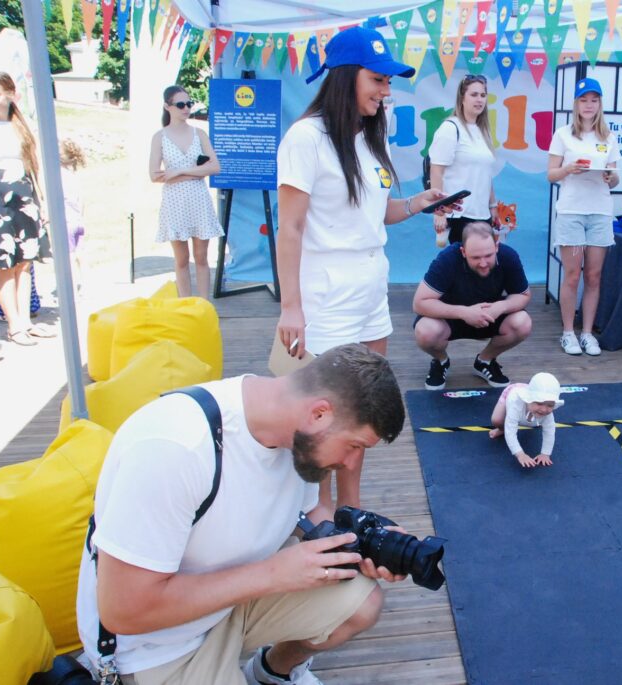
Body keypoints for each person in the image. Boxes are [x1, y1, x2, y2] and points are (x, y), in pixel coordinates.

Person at [76, 344, 408, 685]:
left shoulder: (296, 437)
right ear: (319, 414)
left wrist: (367, 545)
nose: (351, 464)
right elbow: (124, 611)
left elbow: (312, 515)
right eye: (354, 446)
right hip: (156, 645)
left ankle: (270, 672)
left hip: (232, 599)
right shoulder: (176, 448)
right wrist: (273, 574)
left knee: (360, 603)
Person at [277, 27, 455, 359]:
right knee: (328, 388)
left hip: (373, 278)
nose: (386, 91)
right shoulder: (306, 137)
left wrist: (419, 202)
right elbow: (290, 228)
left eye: (388, 81)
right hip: (327, 288)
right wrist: (290, 308)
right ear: (345, 78)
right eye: (377, 80)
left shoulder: (373, 136)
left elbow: (378, 212)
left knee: (374, 382)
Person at [546, 77, 619, 357]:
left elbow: (614, 177)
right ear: (576, 104)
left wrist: (611, 177)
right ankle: (568, 332)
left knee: (594, 275)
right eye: (584, 100)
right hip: (571, 211)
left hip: (600, 211)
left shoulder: (608, 137)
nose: (589, 105)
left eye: (594, 100)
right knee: (572, 275)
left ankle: (587, 333)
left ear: (600, 104)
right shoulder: (563, 134)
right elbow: (551, 174)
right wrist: (569, 169)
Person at [413, 222, 532, 390]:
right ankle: (440, 361)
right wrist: (464, 312)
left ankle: (485, 361)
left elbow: (523, 295)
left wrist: (501, 307)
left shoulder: (508, 256)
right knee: (425, 331)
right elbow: (419, 303)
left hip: (489, 315)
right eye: (475, 258)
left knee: (522, 322)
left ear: (496, 247)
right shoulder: (447, 259)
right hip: (451, 318)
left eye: (488, 256)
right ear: (463, 252)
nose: (483, 263)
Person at [0, 70, 54, 346]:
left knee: (25, 262)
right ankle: (13, 324)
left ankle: (26, 322)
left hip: (24, 195)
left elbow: (36, 166)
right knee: (4, 263)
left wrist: (44, 202)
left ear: (10, 94)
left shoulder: (22, 125)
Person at [149, 85, 224, 298]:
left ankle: (204, 304)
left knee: (201, 257)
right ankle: (185, 302)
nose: (186, 109)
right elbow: (155, 175)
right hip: (175, 201)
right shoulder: (160, 137)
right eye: (180, 105)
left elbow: (215, 167)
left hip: (198, 199)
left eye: (189, 104)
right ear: (168, 107)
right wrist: (195, 173)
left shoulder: (199, 134)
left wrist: (179, 171)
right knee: (181, 259)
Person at [428, 74, 497, 246]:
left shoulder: (482, 131)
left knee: (483, 261)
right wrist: (439, 211)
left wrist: (493, 206)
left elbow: (485, 174)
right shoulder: (450, 128)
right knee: (461, 261)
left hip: (482, 216)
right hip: (458, 215)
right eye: (474, 94)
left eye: (483, 95)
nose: (479, 99)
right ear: (462, 98)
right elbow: (436, 171)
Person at [488, 372, 565, 468]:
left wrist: (545, 454)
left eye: (550, 405)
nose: (544, 409)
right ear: (529, 399)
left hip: (530, 391)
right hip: (512, 391)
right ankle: (501, 429)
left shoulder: (546, 413)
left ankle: (535, 413)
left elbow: (550, 431)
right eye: (539, 403)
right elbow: (510, 431)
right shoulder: (515, 404)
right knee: (497, 420)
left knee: (536, 420)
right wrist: (520, 454)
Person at [59, 138, 87, 293]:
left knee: (68, 257)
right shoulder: (74, 175)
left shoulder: (59, 176)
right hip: (78, 220)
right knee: (80, 254)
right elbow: (81, 200)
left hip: (66, 221)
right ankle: (84, 283)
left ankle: (71, 289)